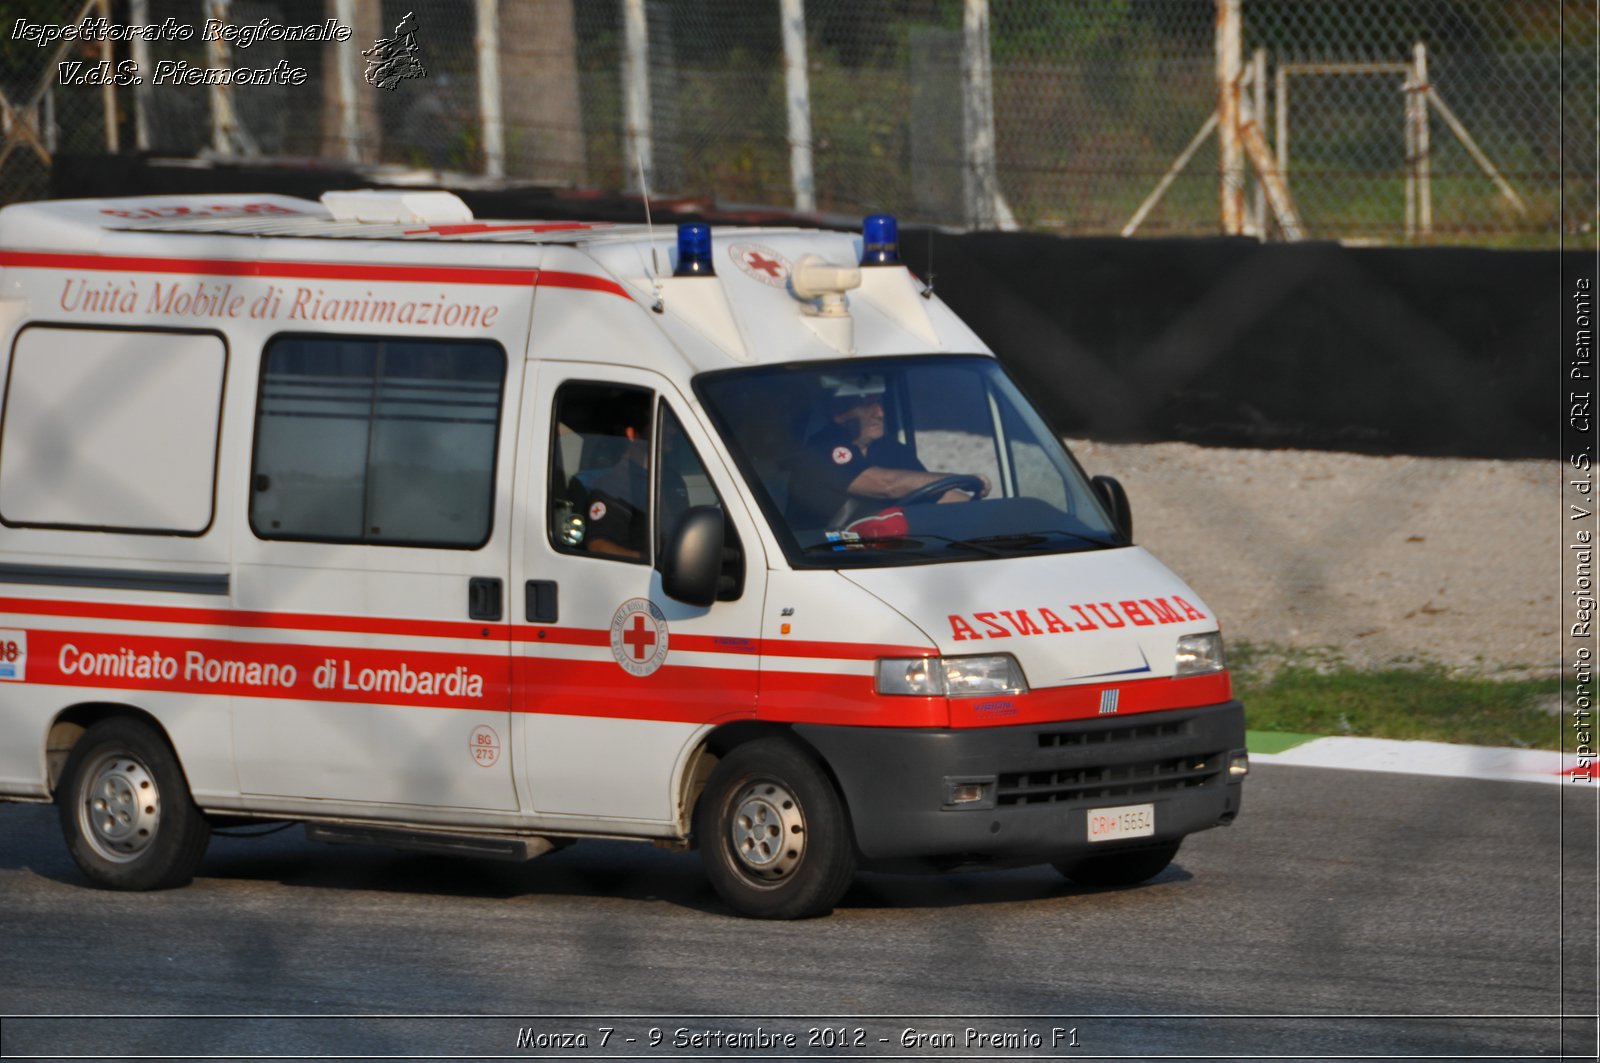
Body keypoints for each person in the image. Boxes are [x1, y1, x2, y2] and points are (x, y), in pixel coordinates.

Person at [785, 375, 989, 529]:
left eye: (879, 403)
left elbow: (931, 493)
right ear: (839, 413)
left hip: (893, 550)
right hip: (826, 557)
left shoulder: (892, 450)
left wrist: (980, 513)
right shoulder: (819, 450)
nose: (880, 413)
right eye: (867, 405)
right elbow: (886, 484)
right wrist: (955, 477)